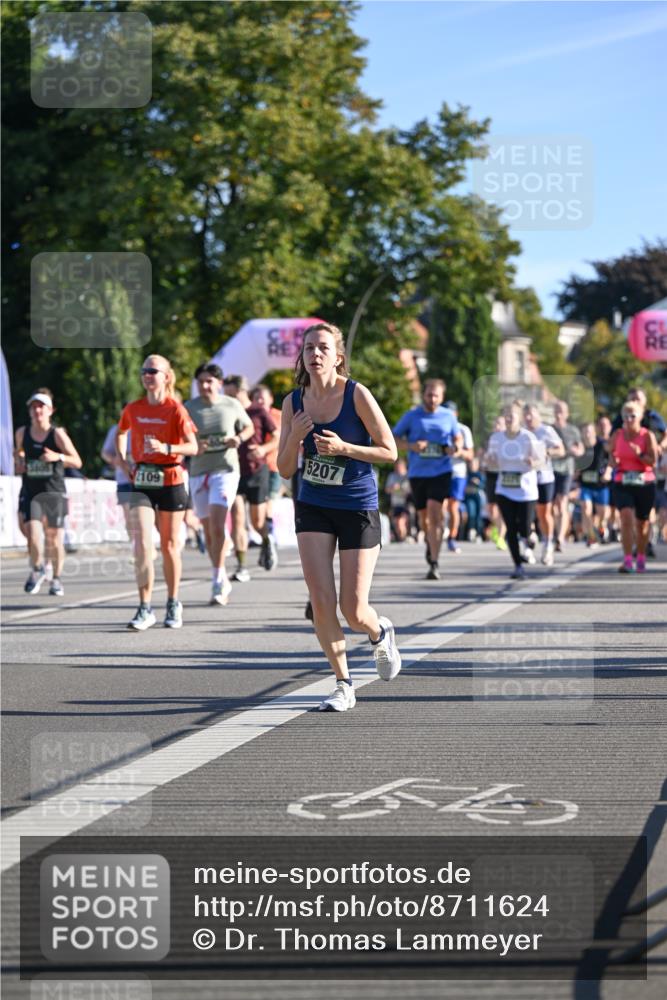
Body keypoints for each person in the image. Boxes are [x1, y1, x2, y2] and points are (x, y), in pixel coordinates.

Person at [277, 321, 401, 712]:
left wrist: (345, 447)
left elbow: (389, 451)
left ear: (338, 357)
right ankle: (343, 683)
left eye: (323, 348)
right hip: (313, 504)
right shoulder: (293, 402)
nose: (315, 354)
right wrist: (294, 437)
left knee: (354, 609)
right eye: (308, 348)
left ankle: (379, 632)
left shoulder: (356, 394)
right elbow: (284, 468)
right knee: (320, 599)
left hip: (356, 505)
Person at [117, 354, 198, 629]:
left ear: (166, 376)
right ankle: (145, 607)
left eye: (153, 371)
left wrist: (167, 448)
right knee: (141, 543)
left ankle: (173, 602)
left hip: (171, 479)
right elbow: (120, 432)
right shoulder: (133, 408)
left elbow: (193, 446)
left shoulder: (175, 409)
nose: (147, 375)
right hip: (142, 479)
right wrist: (122, 460)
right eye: (144, 371)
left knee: (169, 546)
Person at [185, 363, 254, 606]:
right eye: (200, 382)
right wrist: (195, 445)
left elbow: (248, 427)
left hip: (225, 470)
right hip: (198, 471)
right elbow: (180, 435)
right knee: (208, 532)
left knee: (216, 525)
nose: (205, 386)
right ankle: (220, 573)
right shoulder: (189, 408)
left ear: (219, 383)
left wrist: (238, 438)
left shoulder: (231, 404)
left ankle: (217, 580)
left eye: (209, 381)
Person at [14, 389, 82, 596]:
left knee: (54, 538)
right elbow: (19, 453)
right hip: (31, 491)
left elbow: (77, 461)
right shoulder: (22, 433)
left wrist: (57, 457)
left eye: (41, 407)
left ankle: (57, 579)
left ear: (50, 410)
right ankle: (38, 570)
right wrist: (20, 462)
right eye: (33, 407)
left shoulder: (57, 434)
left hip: (53, 491)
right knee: (32, 534)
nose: (37, 411)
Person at [392, 379, 462, 580]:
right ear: (424, 395)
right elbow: (393, 438)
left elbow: (458, 438)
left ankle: (434, 562)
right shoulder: (412, 416)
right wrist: (411, 446)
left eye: (436, 396)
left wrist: (455, 448)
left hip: (441, 472)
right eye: (429, 395)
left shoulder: (448, 416)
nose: (432, 399)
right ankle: (430, 543)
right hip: (418, 473)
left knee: (435, 513)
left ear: (442, 397)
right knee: (424, 519)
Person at [223, 375, 279, 580]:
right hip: (234, 471)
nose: (228, 399)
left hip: (257, 471)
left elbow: (276, 436)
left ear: (241, 391)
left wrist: (263, 449)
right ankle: (241, 566)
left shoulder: (258, 411)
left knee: (257, 521)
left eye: (231, 395)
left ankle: (266, 540)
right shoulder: (227, 411)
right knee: (237, 516)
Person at [484, 401, 543, 580]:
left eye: (512, 416)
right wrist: (490, 461)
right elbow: (491, 462)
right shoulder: (496, 438)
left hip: (526, 490)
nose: (508, 419)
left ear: (519, 418)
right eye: (506, 416)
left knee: (523, 527)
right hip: (504, 489)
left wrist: (533, 462)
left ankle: (529, 536)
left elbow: (541, 460)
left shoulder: (528, 437)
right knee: (511, 528)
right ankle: (518, 565)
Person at [609, 400, 658, 573]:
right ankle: (628, 559)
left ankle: (641, 556)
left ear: (640, 417)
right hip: (622, 481)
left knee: (642, 524)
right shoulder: (617, 435)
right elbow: (611, 455)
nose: (628, 419)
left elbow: (653, 461)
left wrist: (640, 454)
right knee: (626, 517)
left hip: (644, 482)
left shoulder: (647, 435)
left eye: (632, 416)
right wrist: (613, 462)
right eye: (625, 416)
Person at [522, 403, 565, 565]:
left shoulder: (546, 431)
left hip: (544, 478)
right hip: (526, 479)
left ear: (538, 415)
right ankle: (528, 543)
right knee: (525, 513)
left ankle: (548, 544)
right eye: (525, 415)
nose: (528, 418)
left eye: (531, 414)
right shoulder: (521, 432)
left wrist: (546, 452)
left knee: (543, 513)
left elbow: (561, 450)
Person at [251, 383, 283, 542]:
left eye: (262, 398)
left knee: (269, 503)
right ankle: (265, 537)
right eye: (256, 398)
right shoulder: (250, 416)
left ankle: (269, 537)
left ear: (270, 399)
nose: (259, 402)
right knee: (258, 507)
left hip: (273, 466)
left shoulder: (278, 416)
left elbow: (282, 438)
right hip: (255, 468)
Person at [552, 400, 585, 552]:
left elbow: (581, 449)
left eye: (561, 411)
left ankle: (560, 538)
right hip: (550, 470)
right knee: (553, 507)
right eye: (556, 410)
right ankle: (555, 533)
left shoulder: (573, 430)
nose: (558, 414)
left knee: (562, 503)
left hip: (566, 470)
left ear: (567, 414)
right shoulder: (549, 429)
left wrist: (576, 452)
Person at [443, 401, 474, 553]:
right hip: (440, 471)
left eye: (451, 413)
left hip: (458, 473)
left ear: (456, 414)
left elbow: (470, 455)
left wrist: (458, 452)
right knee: (439, 505)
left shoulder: (463, 429)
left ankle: (452, 537)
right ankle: (440, 531)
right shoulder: (439, 427)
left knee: (453, 506)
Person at [577, 421, 611, 547]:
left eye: (589, 431)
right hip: (586, 485)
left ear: (594, 432)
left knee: (603, 513)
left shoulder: (603, 444)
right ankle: (592, 537)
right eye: (585, 432)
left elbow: (612, 458)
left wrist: (608, 472)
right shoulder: (580, 447)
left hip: (601, 485)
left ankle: (601, 527)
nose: (587, 434)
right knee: (586, 508)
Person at [481, 415, 507, 551]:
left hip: (503, 475)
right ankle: (497, 527)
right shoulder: (490, 439)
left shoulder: (509, 440)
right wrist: (485, 461)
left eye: (500, 424)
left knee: (502, 507)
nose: (497, 426)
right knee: (491, 508)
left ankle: (501, 537)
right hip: (490, 474)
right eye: (495, 424)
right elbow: (484, 457)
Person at [384, 457, 412, 542]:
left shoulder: (408, 476)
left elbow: (410, 490)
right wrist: (393, 488)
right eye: (396, 466)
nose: (397, 468)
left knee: (401, 522)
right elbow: (387, 490)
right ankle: (402, 538)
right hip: (395, 503)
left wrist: (400, 489)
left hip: (406, 503)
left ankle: (404, 538)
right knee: (397, 523)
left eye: (399, 466)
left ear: (403, 466)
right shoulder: (392, 476)